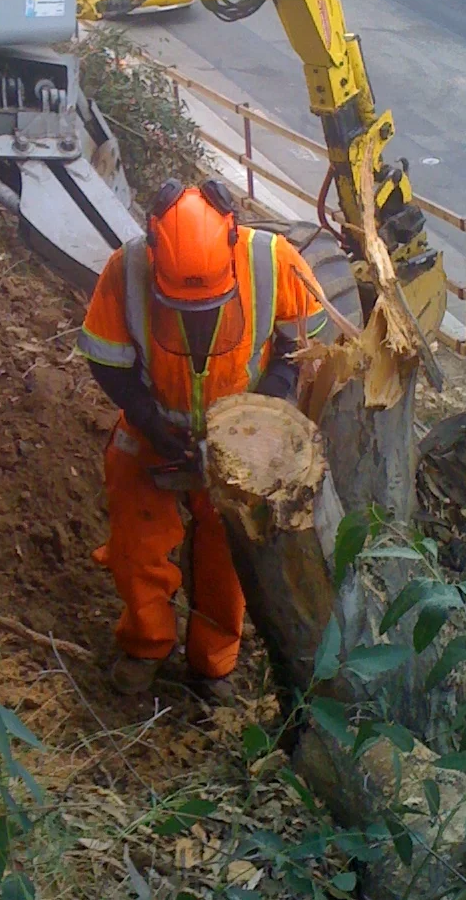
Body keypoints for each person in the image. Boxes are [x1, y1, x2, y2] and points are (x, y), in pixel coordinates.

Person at [78, 180, 329, 699]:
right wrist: (148, 419)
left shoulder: (271, 260)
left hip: (237, 442)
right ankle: (146, 645)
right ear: (152, 248)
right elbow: (105, 357)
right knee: (135, 543)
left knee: (228, 554)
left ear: (234, 236)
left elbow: (302, 339)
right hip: (156, 431)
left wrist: (271, 401)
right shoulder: (126, 270)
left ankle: (214, 662)